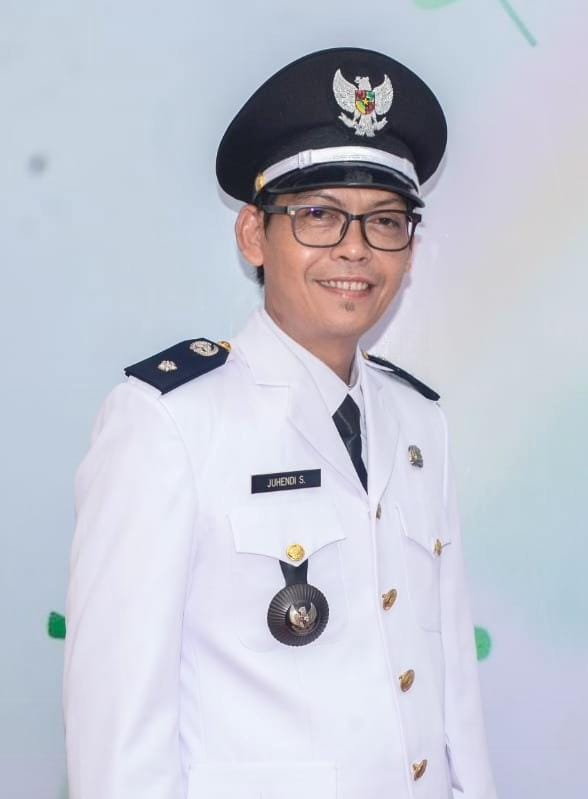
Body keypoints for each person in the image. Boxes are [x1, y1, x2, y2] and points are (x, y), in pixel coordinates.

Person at [63, 47, 497, 799]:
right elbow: (118, 739)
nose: (355, 248)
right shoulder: (168, 422)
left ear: (411, 249)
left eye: (384, 220)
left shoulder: (420, 423)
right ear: (253, 236)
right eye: (319, 215)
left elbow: (451, 690)